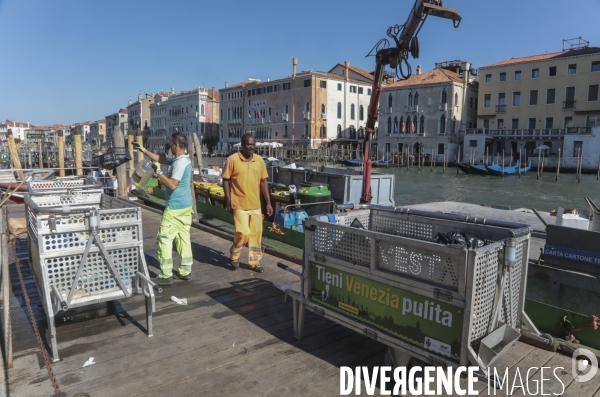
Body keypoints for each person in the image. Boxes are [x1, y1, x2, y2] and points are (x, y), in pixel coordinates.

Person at [133, 132, 194, 285]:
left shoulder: (180, 163)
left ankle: (166, 274)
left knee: (164, 238)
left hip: (175, 207)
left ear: (177, 145)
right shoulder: (183, 159)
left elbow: (173, 185)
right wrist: (144, 150)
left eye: (171, 144)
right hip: (186, 207)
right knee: (183, 238)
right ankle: (185, 270)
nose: (170, 147)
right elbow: (162, 159)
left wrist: (159, 172)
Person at [223, 134, 273, 273]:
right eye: (248, 145)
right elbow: (226, 180)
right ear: (242, 145)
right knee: (243, 232)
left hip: (255, 204)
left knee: (256, 233)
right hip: (239, 203)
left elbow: (264, 182)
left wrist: (268, 202)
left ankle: (254, 261)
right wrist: (227, 198)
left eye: (253, 144)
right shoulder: (232, 160)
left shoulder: (259, 161)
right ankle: (234, 254)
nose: (251, 147)